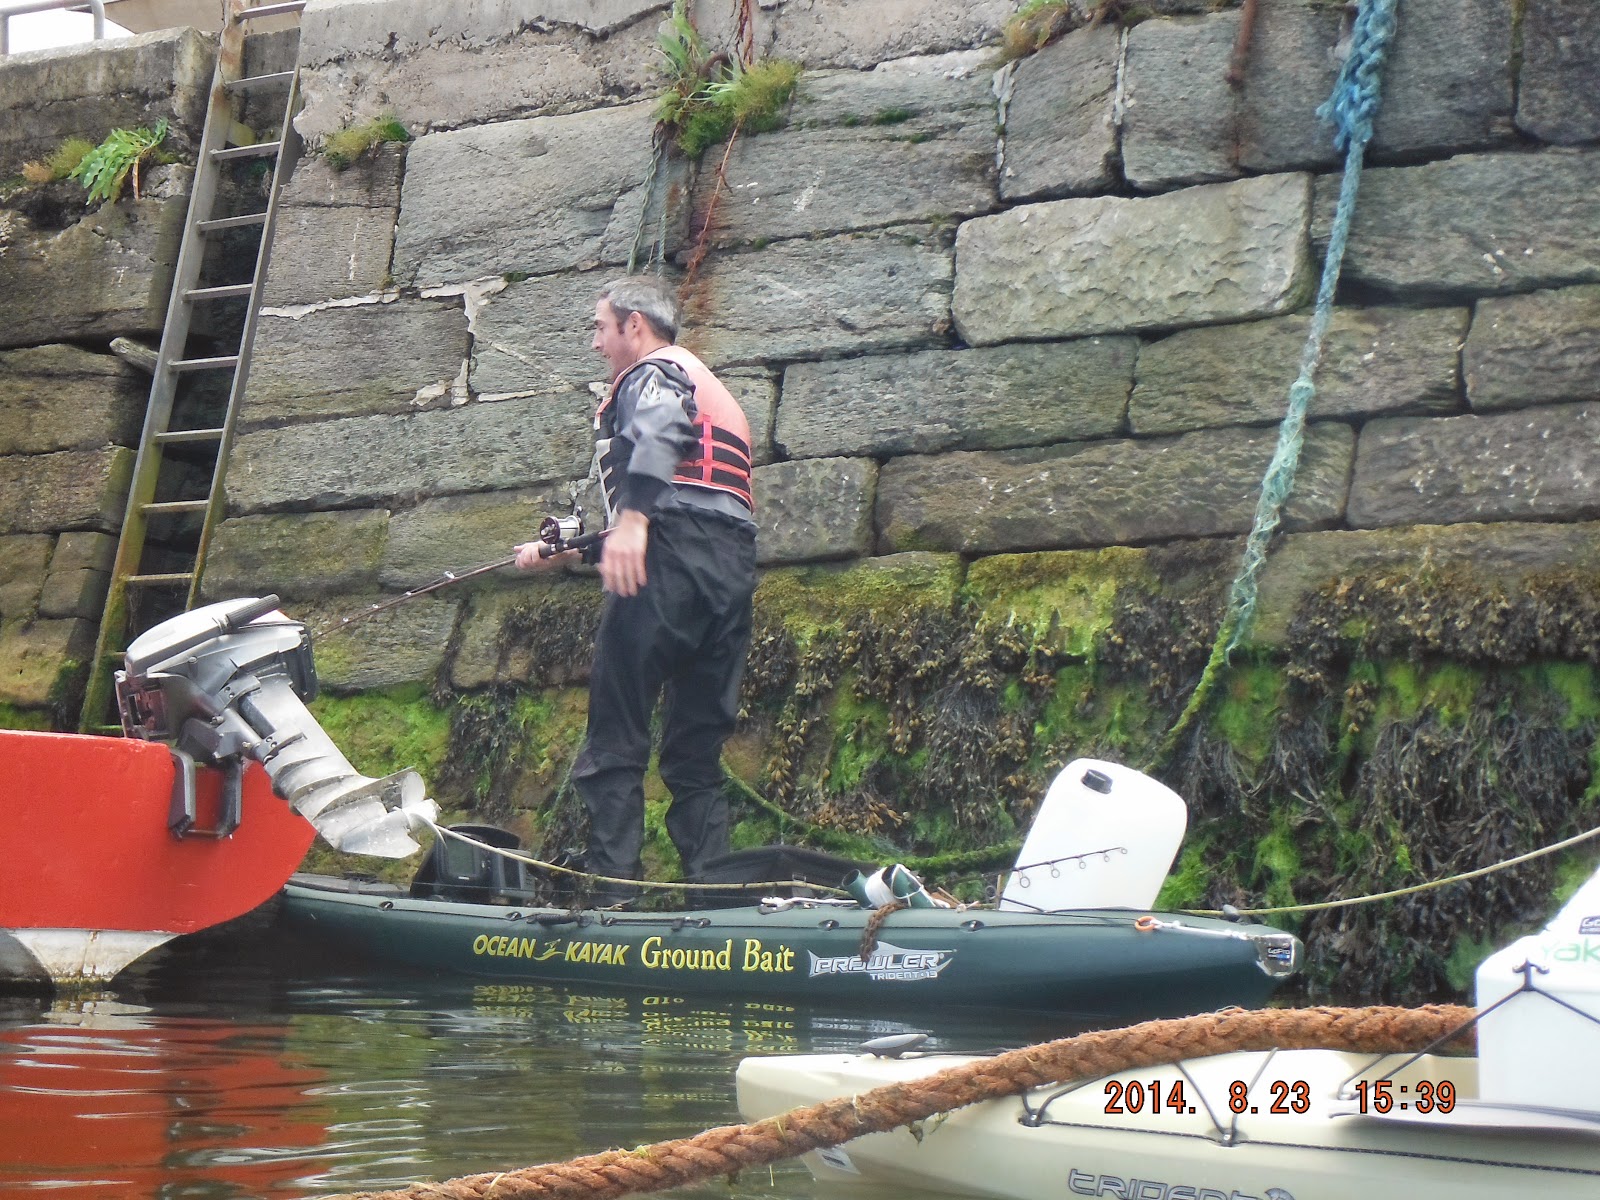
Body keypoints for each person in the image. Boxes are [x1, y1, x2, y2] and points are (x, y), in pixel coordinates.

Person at [514, 276, 758, 905]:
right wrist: (573, 547)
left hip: (669, 560)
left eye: (600, 327)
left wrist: (634, 520)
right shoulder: (712, 386)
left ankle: (611, 889)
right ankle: (715, 894)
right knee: (693, 750)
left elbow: (656, 436)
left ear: (635, 327)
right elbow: (699, 509)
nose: (595, 344)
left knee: (617, 731)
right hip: (727, 576)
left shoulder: (656, 372)